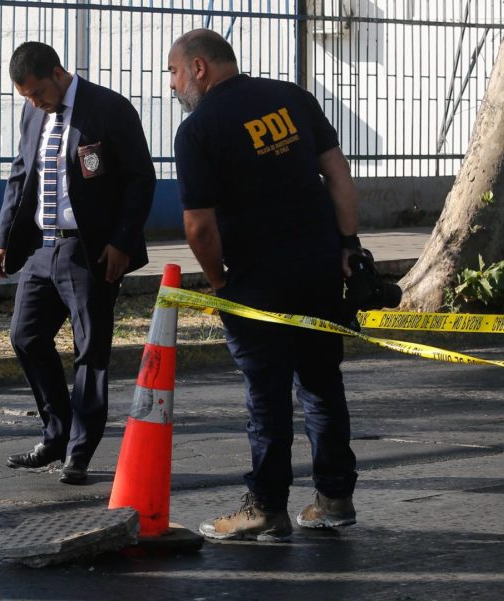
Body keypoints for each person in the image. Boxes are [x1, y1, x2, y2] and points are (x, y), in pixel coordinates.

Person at [168, 29, 361, 541]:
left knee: (267, 395)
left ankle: (266, 508)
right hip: (320, 266)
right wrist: (348, 245)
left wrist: (218, 282)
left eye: (174, 71)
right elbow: (337, 175)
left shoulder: (198, 131)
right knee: (322, 382)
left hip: (257, 282)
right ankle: (335, 498)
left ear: (200, 68)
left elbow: (199, 227)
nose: (172, 83)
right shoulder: (292, 98)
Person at [0, 42, 156, 485]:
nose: (35, 102)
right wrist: (3, 240)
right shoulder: (33, 115)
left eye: (39, 92)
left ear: (59, 73)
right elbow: (20, 175)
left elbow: (141, 179)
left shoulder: (108, 108)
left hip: (91, 251)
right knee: (25, 336)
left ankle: (79, 452)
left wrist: (122, 243)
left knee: (91, 350)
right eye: (26, 96)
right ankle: (56, 433)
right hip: (42, 249)